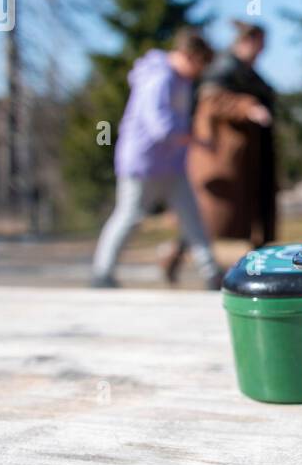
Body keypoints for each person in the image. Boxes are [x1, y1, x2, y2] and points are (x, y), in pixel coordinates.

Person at [91, 29, 222, 289]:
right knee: (129, 216)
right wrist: (194, 137)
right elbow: (160, 126)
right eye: (199, 64)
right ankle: (102, 273)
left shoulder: (181, 81)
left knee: (191, 216)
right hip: (142, 162)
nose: (199, 72)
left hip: (172, 163)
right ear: (189, 56)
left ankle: (211, 273)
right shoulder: (159, 78)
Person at [189, 19, 277, 248]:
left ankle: (253, 264)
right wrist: (247, 107)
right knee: (216, 218)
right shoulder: (224, 67)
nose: (263, 50)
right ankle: (181, 255)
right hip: (227, 157)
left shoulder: (248, 71)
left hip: (250, 157)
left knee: (252, 215)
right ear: (248, 41)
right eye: (260, 44)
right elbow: (211, 100)